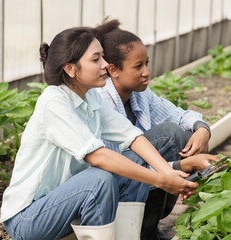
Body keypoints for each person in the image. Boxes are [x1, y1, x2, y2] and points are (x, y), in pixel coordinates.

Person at [0, 26, 198, 240]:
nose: (105, 64)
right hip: (29, 218)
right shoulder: (54, 102)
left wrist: (167, 173)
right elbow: (99, 157)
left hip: (67, 201)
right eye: (96, 60)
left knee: (134, 160)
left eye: (102, 57)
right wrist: (161, 180)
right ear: (71, 69)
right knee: (99, 178)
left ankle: (134, 236)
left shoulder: (90, 97)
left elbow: (131, 136)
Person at [94, 20, 219, 240]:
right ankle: (141, 233)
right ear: (113, 70)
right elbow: (116, 166)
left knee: (190, 136)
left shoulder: (141, 93)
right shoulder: (103, 100)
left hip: (137, 174)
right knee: (172, 137)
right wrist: (180, 166)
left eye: (147, 63)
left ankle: (149, 228)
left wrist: (202, 129)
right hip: (112, 184)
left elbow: (179, 115)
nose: (147, 72)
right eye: (138, 66)